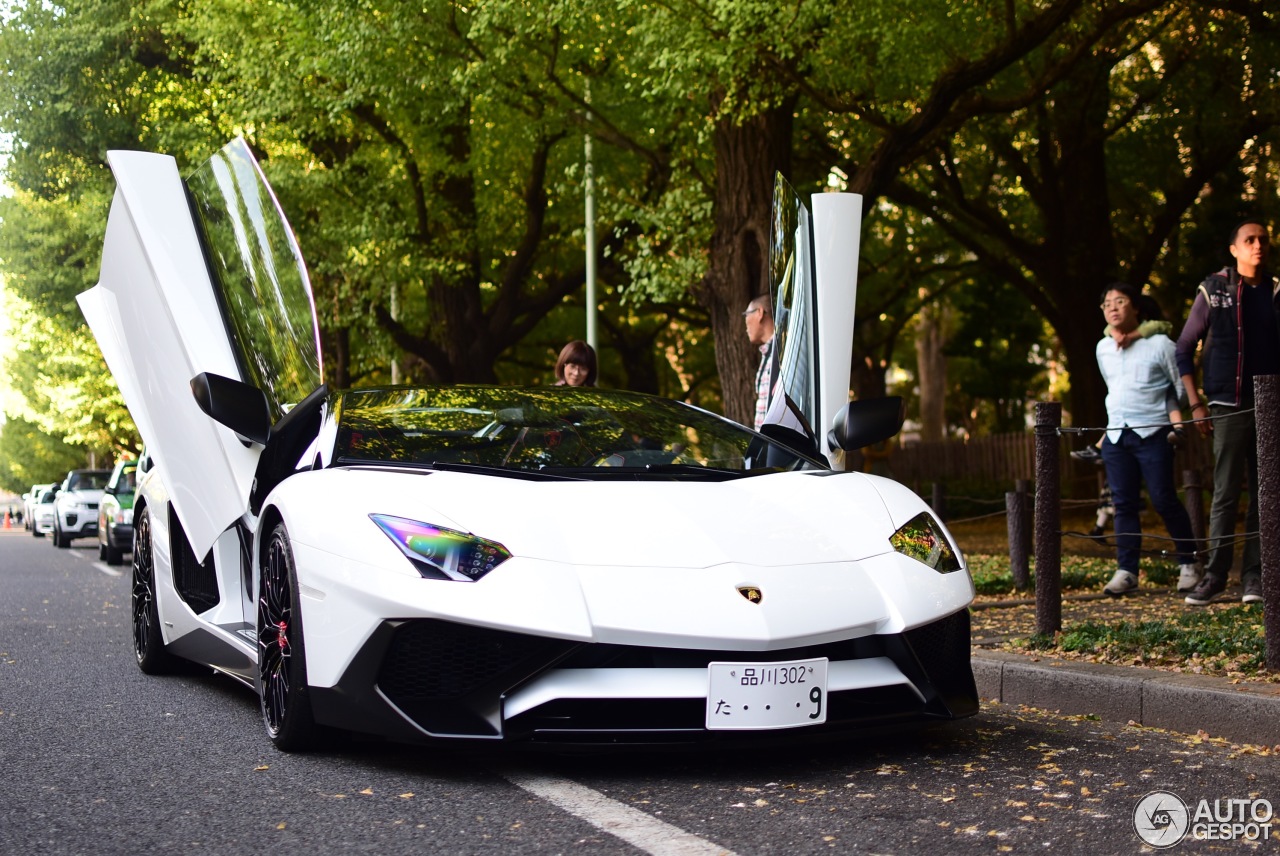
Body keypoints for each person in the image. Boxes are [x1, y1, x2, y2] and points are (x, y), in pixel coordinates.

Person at [1176, 219, 1280, 606]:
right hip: (1227, 403)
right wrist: (1196, 402)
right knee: (1224, 491)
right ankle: (1216, 575)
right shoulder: (1215, 289)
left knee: (1265, 492)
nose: (1258, 246)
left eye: (1263, 240)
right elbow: (1183, 348)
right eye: (1249, 240)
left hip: (1270, 405)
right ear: (1234, 249)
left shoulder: (1275, 290)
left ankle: (1254, 576)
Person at [1095, 282, 1203, 597]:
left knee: (1163, 498)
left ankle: (1189, 563)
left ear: (1137, 307)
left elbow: (1180, 387)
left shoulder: (1160, 344)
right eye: (1107, 303)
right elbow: (1112, 387)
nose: (1112, 307)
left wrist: (1169, 416)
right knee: (1123, 504)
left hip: (1153, 433)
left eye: (1120, 301)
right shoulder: (1103, 347)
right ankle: (1127, 570)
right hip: (1117, 434)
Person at [743, 294, 776, 430]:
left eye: (746, 314)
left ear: (760, 313)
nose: (745, 325)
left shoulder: (780, 354)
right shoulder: (768, 353)